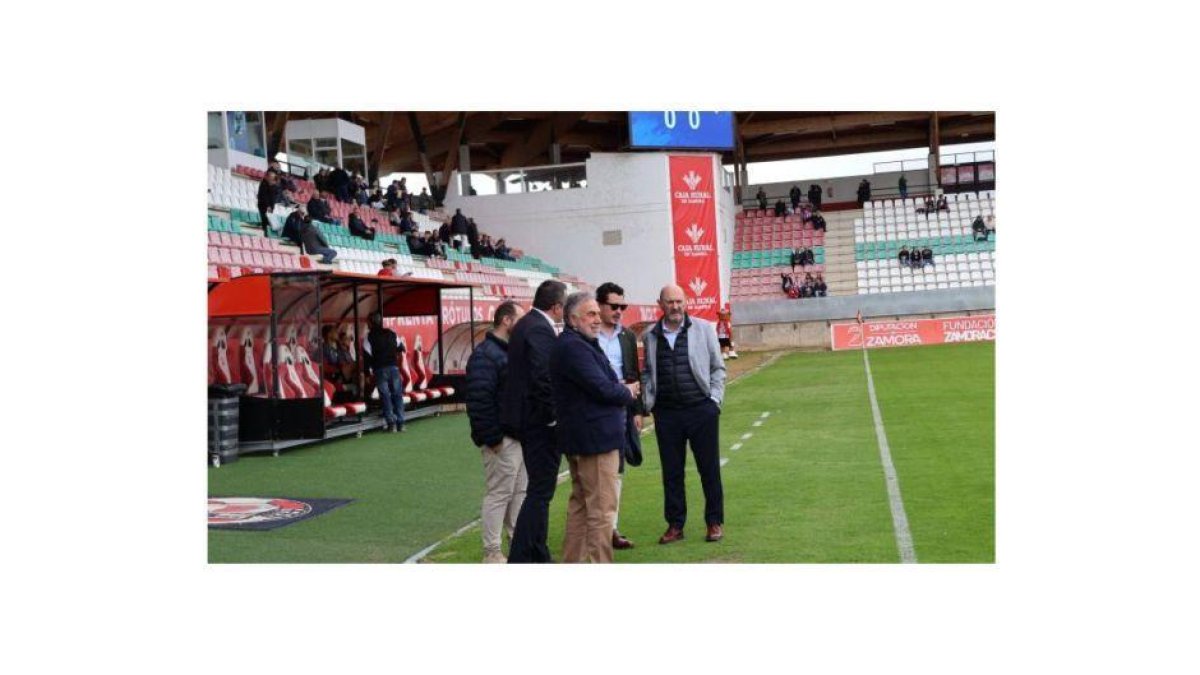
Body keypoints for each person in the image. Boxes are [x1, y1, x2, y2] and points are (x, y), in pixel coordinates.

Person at [551, 292, 639, 563]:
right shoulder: (574, 347)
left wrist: (619, 388)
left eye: (597, 314)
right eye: (591, 314)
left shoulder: (579, 343)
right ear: (573, 318)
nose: (597, 320)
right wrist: (627, 392)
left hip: (587, 438)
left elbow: (605, 381)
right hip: (595, 440)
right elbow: (602, 387)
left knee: (580, 506)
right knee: (601, 511)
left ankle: (573, 563)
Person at [641, 284, 727, 544]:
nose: (675, 306)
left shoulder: (703, 329)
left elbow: (717, 368)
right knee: (672, 472)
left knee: (709, 469)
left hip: (701, 409)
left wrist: (714, 401)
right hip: (667, 414)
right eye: (669, 302)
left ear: (686, 302)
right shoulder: (650, 336)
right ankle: (675, 525)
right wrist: (649, 401)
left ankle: (714, 522)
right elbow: (647, 372)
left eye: (679, 301)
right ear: (660, 304)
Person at [502, 280, 567, 563]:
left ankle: (538, 553)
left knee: (539, 490)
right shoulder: (539, 329)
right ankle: (521, 555)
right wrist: (554, 417)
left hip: (528, 420)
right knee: (540, 491)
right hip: (539, 423)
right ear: (557, 307)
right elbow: (543, 377)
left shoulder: (526, 325)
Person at [465, 301, 528, 563]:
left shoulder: (511, 351)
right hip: (502, 439)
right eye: (520, 319)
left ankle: (517, 544)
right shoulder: (485, 355)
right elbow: (479, 400)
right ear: (506, 321)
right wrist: (493, 438)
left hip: (519, 436)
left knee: (520, 492)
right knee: (499, 493)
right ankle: (491, 552)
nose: (524, 325)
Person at [594, 282, 645, 551]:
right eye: (613, 306)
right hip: (595, 410)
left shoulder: (625, 336)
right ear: (599, 305)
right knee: (594, 472)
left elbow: (633, 374)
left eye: (622, 307)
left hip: (622, 409)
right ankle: (598, 529)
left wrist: (636, 411)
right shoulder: (588, 337)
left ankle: (611, 527)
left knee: (618, 469)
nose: (618, 311)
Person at [362, 313, 405, 433]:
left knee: (385, 396)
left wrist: (367, 375)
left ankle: (391, 424)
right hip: (393, 368)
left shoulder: (368, 337)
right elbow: (401, 349)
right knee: (397, 395)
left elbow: (367, 357)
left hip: (380, 370)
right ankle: (401, 423)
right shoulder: (392, 333)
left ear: (371, 323)